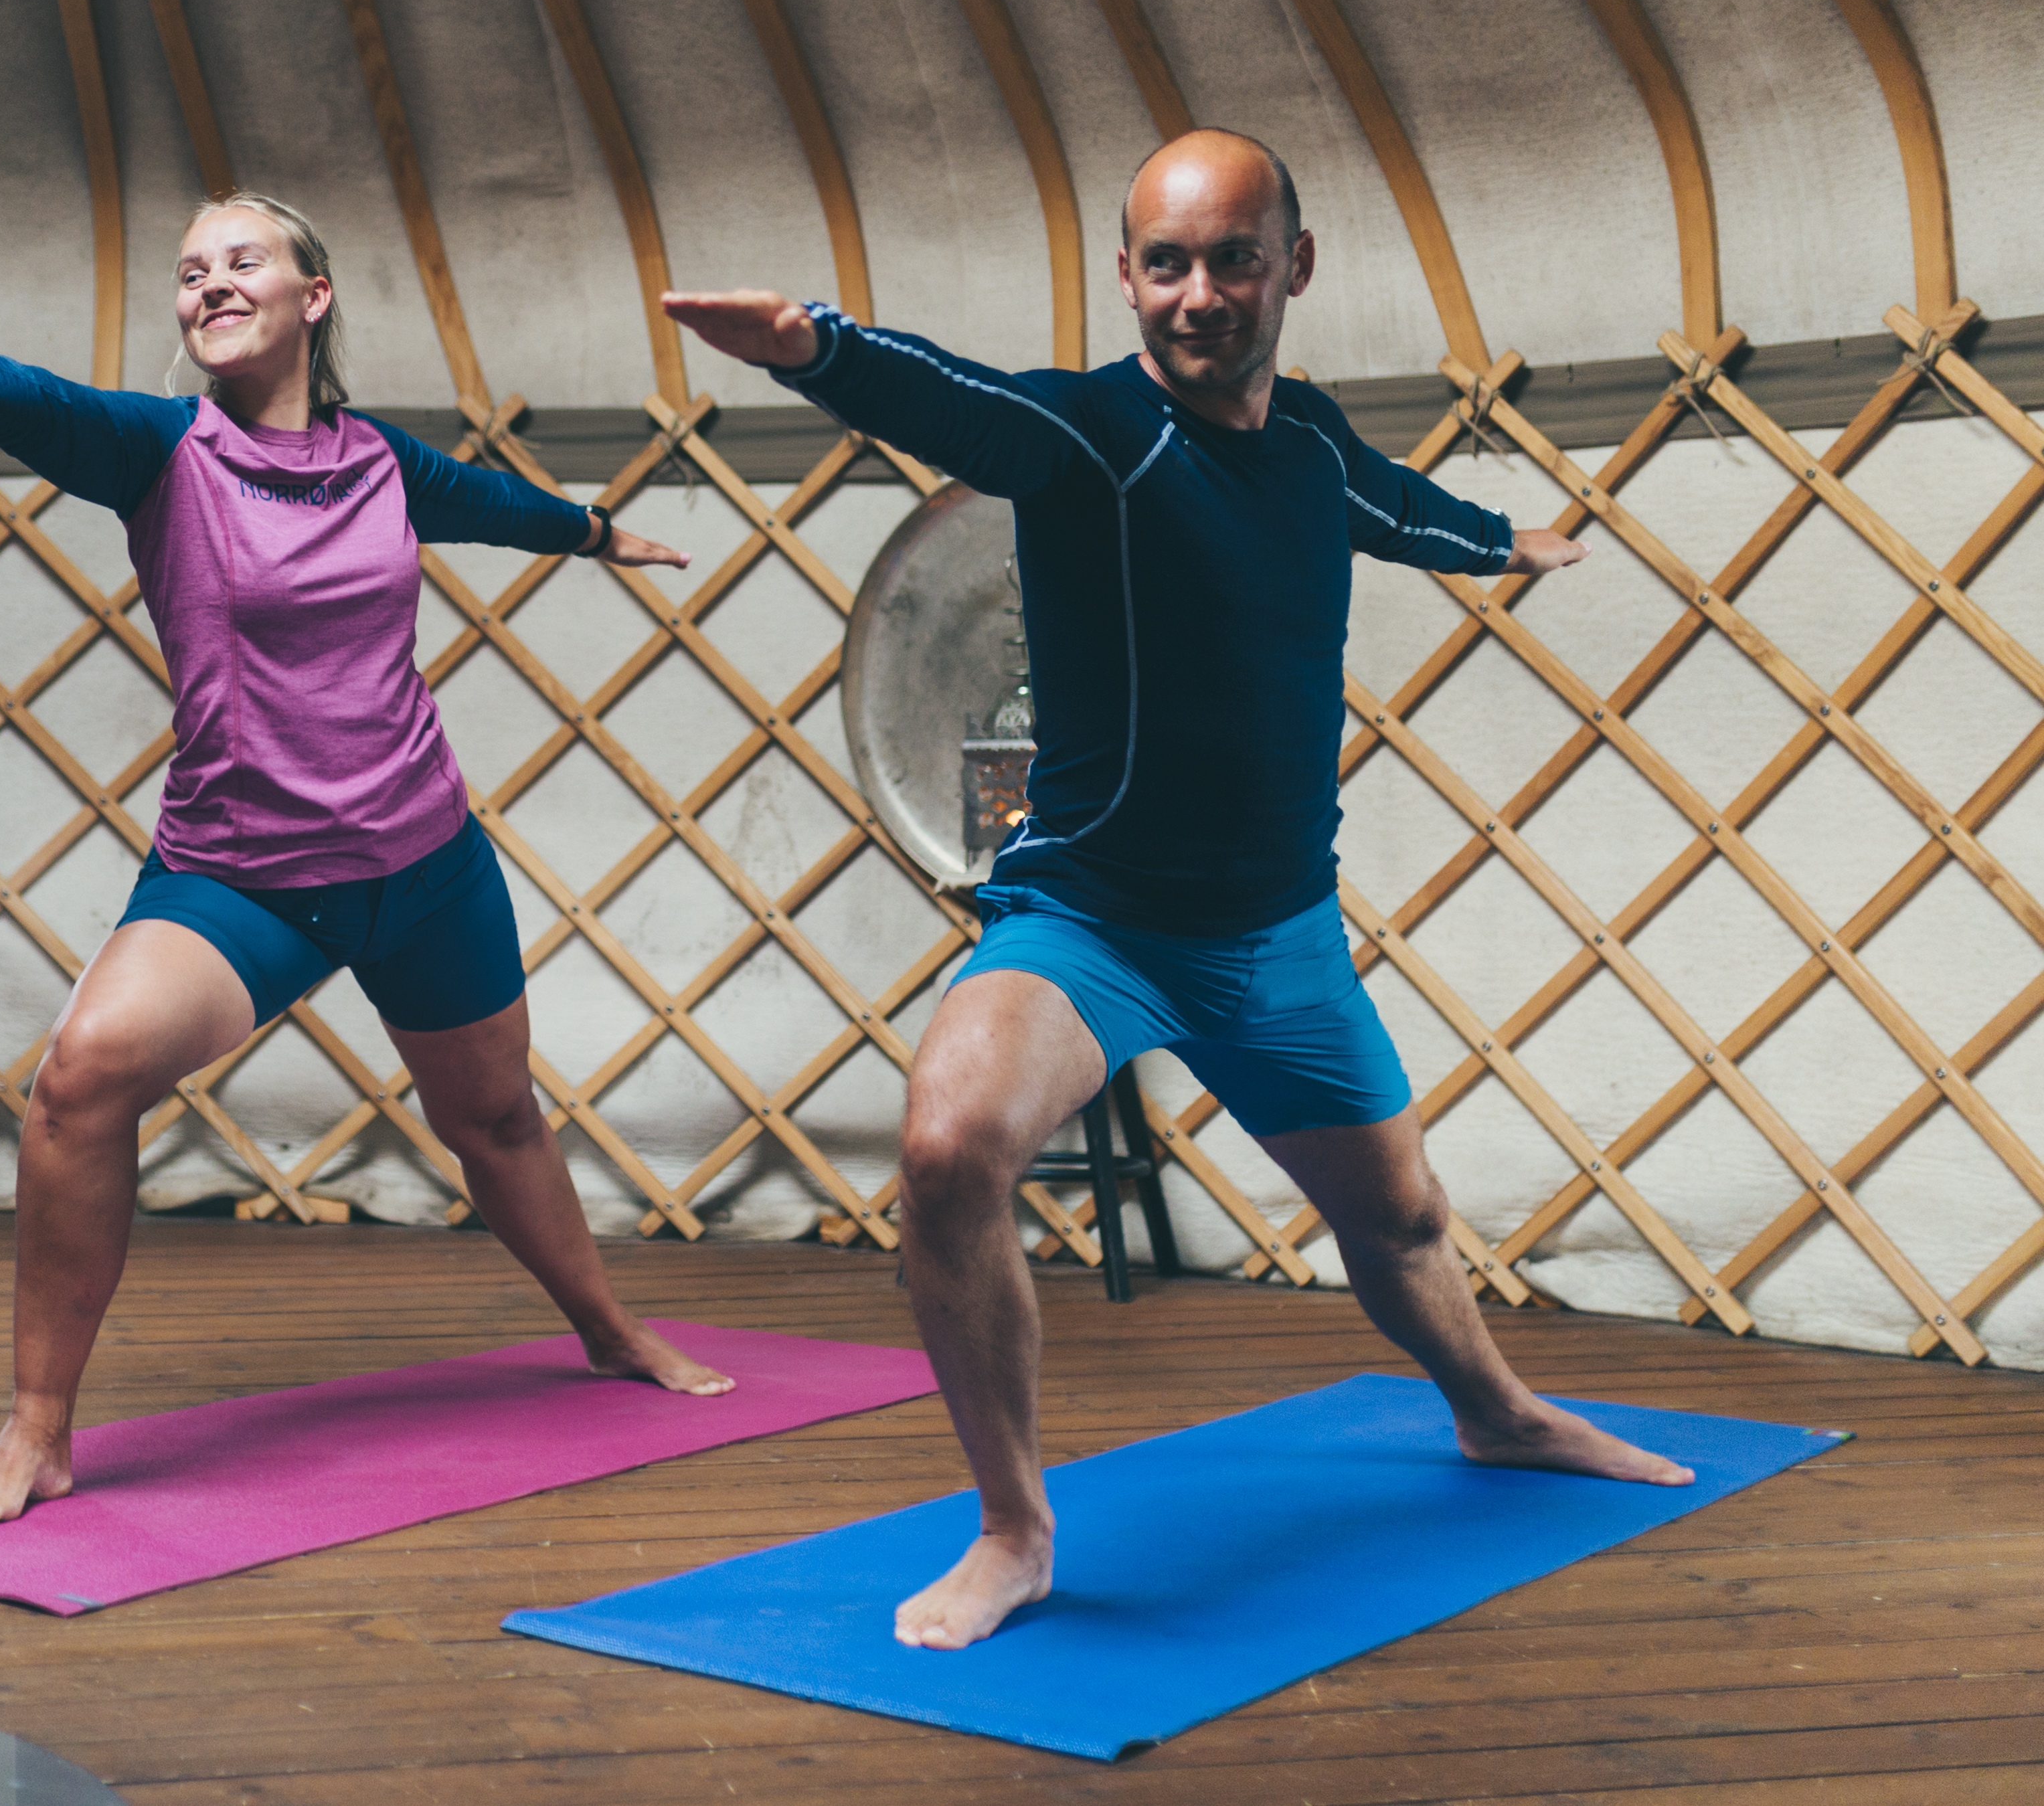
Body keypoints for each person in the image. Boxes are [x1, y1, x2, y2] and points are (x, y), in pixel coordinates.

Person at [664, 129, 1692, 1653]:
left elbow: (1385, 507)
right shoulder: (1091, 433)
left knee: (1402, 1223)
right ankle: (1015, 1529)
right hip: (1093, 922)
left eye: (1229, 260)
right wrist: (822, 347)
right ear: (1128, 274)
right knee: (951, 1146)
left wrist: (1504, 545)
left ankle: (1498, 1413)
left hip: (1276, 936)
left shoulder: (1316, 438)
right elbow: (963, 400)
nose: (1196, 295)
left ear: (1294, 266)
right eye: (1165, 263)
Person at [0, 193, 737, 1527]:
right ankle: (39, 1428)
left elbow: (492, 505)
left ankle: (607, 1329)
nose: (211, 285)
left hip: (425, 855)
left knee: (496, 1118)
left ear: (313, 297)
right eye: (190, 272)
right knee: (79, 1082)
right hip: (249, 875)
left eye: (244, 262)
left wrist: (592, 533)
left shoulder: (387, 467)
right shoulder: (159, 451)